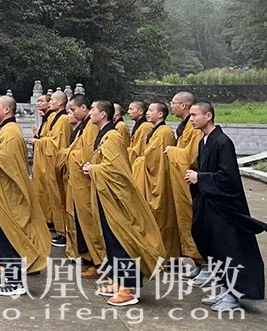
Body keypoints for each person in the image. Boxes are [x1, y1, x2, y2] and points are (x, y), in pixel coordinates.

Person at [83, 100, 166, 307]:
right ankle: (119, 281)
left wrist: (93, 169)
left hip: (116, 199)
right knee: (110, 239)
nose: (90, 112)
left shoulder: (112, 137)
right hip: (106, 196)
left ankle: (128, 289)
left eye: (93, 109)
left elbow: (116, 171)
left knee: (121, 240)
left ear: (103, 114)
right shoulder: (103, 135)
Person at [186, 101, 267, 312]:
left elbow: (228, 178)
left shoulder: (223, 142)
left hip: (226, 209)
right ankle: (226, 289)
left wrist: (200, 177)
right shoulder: (204, 141)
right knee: (215, 249)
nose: (191, 119)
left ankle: (234, 295)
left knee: (230, 250)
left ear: (209, 116)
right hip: (210, 205)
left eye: (195, 115)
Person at [0, 95, 51, 296]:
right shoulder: (4, 130)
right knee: (1, 235)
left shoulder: (10, 132)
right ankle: (9, 276)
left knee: (10, 236)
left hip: (8, 194)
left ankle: (15, 280)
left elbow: (5, 160)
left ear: (7, 110)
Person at [57, 94, 104, 277]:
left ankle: (97, 262)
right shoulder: (83, 127)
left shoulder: (91, 128)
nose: (71, 113)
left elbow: (86, 155)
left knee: (89, 222)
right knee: (79, 220)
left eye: (73, 109)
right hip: (77, 182)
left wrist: (67, 155)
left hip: (86, 183)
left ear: (83, 108)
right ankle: (88, 258)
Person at [130, 101, 179, 260]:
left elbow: (156, 160)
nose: (148, 113)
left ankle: (163, 255)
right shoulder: (155, 130)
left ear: (160, 114)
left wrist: (140, 160)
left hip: (159, 181)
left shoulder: (164, 132)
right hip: (150, 178)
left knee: (161, 220)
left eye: (151, 110)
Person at [164, 91, 203, 269]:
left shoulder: (194, 130)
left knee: (192, 219)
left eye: (173, 103)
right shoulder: (184, 126)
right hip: (181, 179)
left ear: (184, 105)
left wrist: (172, 151)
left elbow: (192, 156)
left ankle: (202, 262)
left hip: (192, 181)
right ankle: (197, 262)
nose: (171, 106)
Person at [32, 90, 71, 247]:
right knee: (52, 195)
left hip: (55, 163)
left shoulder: (62, 120)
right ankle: (56, 225)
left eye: (52, 100)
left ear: (60, 102)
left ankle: (63, 231)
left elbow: (57, 144)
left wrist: (39, 141)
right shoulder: (54, 118)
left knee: (59, 197)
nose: (49, 103)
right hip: (48, 162)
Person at [30, 93, 53, 234]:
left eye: (41, 101)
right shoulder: (48, 119)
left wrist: (38, 141)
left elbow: (55, 142)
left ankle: (51, 220)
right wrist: (38, 136)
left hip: (48, 161)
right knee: (41, 188)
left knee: (47, 190)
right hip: (42, 159)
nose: (38, 103)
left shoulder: (57, 119)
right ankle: (45, 216)